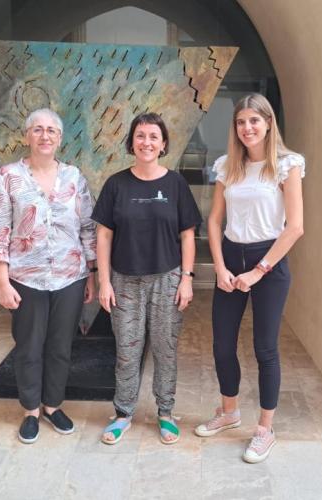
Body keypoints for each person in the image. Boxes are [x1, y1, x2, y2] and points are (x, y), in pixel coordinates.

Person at [195, 93, 305, 463]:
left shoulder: (287, 165)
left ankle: (264, 429)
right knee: (222, 344)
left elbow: (295, 227)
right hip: (230, 258)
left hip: (268, 263)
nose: (247, 128)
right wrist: (220, 267)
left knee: (265, 348)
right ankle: (229, 412)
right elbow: (214, 220)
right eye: (241, 122)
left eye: (254, 121)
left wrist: (258, 272)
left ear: (268, 123)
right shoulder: (228, 166)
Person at [0, 108, 96, 444]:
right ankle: (31, 410)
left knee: (61, 346)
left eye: (51, 130)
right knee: (29, 346)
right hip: (25, 278)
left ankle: (53, 405)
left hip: (70, 277)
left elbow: (87, 228)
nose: (44, 135)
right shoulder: (8, 176)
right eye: (37, 129)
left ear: (60, 138)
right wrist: (2, 281)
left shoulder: (74, 177)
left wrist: (91, 275)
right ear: (27, 136)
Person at [93, 113, 202, 445]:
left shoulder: (176, 185)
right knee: (127, 350)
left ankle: (165, 413)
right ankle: (123, 414)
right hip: (124, 281)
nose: (147, 142)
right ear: (132, 142)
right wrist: (104, 282)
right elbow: (104, 237)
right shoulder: (116, 184)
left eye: (154, 136)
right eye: (140, 136)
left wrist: (186, 279)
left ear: (163, 143)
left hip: (167, 279)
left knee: (165, 351)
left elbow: (187, 235)